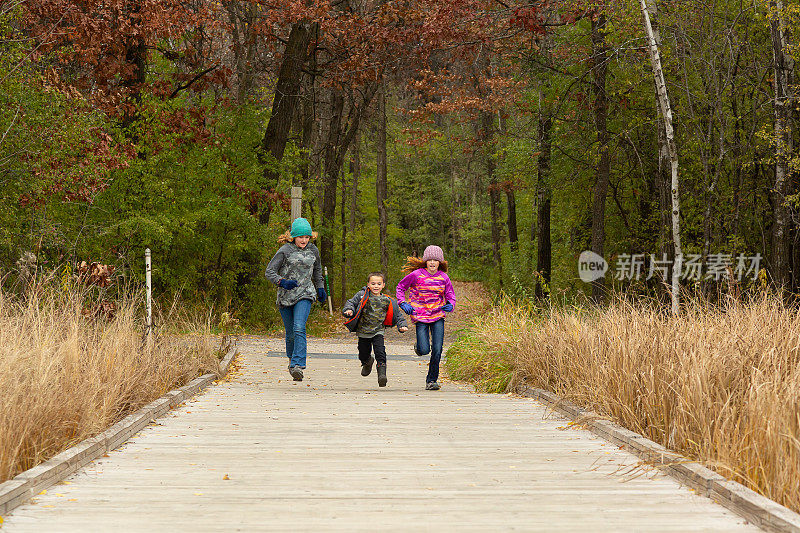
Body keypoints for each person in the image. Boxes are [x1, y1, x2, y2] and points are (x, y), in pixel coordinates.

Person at [264, 217, 327, 382]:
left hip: (306, 293)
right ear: (293, 237)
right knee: (291, 333)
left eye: (307, 237)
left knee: (299, 327)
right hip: (285, 296)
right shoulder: (285, 250)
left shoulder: (313, 250)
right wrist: (282, 282)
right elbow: (269, 272)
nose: (304, 240)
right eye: (301, 237)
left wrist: (320, 287)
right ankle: (292, 362)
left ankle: (299, 364)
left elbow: (317, 270)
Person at [395, 245, 455, 390]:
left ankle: (431, 380)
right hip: (420, 315)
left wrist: (451, 304)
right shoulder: (416, 274)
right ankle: (419, 347)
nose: (433, 263)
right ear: (425, 261)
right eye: (430, 260)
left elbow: (450, 295)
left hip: (438, 315)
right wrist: (402, 302)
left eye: (436, 260)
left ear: (440, 262)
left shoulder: (444, 277)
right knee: (424, 350)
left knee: (438, 349)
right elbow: (400, 288)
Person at [342, 272, 408, 387]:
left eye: (378, 284)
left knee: (380, 352)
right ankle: (367, 362)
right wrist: (349, 310)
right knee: (363, 353)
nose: (376, 286)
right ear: (368, 284)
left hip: (378, 331)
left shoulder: (387, 300)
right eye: (373, 283)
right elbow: (351, 303)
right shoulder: (362, 295)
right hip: (363, 331)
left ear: (383, 285)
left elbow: (397, 314)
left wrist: (402, 325)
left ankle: (382, 375)